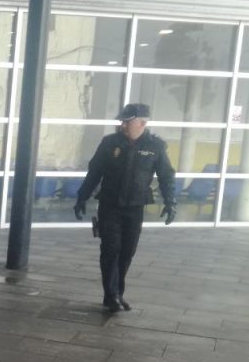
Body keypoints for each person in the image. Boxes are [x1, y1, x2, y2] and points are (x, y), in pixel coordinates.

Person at [74, 102, 176, 313]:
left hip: (135, 207)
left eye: (127, 122)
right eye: (122, 121)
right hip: (110, 205)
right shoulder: (109, 143)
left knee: (127, 252)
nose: (122, 125)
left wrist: (170, 201)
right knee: (110, 249)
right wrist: (82, 197)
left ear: (141, 123)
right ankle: (111, 295)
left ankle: (117, 293)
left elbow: (166, 176)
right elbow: (95, 172)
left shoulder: (155, 146)